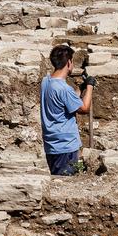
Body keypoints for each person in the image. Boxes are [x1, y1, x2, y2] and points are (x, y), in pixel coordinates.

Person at [39, 44, 94, 176]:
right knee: (65, 181)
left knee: (57, 178)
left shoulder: (46, 82)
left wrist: (81, 88)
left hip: (51, 145)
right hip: (65, 146)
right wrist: (90, 86)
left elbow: (66, 101)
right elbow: (84, 108)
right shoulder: (64, 89)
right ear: (69, 62)